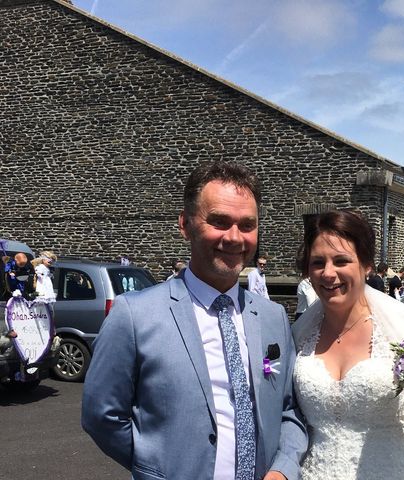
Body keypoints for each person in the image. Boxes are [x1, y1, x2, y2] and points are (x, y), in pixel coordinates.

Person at [82, 162, 307, 480]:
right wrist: (157, 466)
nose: (234, 237)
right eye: (219, 221)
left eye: (247, 225)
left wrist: (282, 470)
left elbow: (288, 410)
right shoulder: (134, 314)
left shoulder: (273, 317)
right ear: (185, 225)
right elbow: (101, 415)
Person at [292, 209, 404, 479]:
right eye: (318, 262)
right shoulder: (299, 334)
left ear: (366, 264)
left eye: (341, 260)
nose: (328, 273)